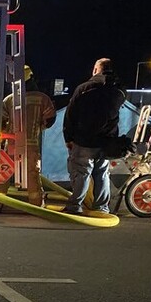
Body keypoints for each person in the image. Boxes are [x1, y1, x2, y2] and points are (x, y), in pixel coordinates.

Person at [62, 58, 126, 214]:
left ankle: (75, 206)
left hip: (83, 140)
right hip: (106, 142)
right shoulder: (118, 91)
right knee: (102, 174)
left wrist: (68, 138)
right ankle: (102, 208)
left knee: (81, 173)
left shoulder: (84, 88)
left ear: (96, 70)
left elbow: (70, 115)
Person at [0, 65, 56, 210]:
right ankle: (36, 205)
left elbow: (0, 121)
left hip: (11, 144)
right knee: (32, 174)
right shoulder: (42, 98)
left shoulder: (9, 99)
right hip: (31, 145)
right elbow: (50, 120)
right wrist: (38, 127)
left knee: (4, 173)